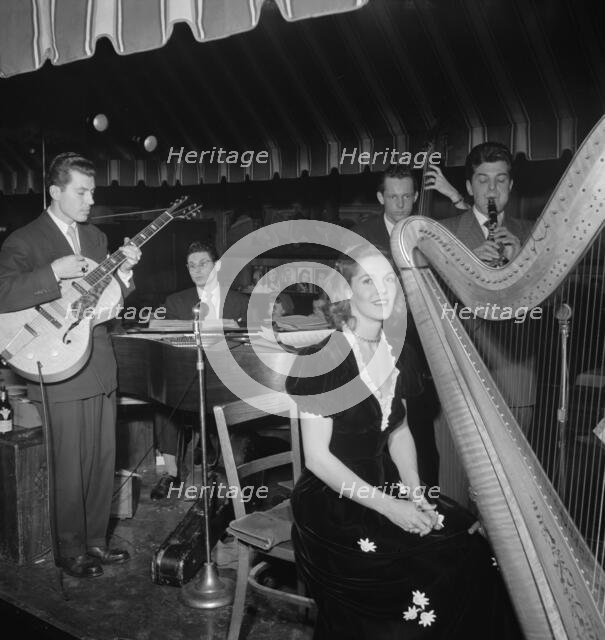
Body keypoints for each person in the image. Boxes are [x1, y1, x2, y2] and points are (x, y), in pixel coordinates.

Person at [285, 246, 520, 639]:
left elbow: (399, 432)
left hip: (384, 489)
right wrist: (390, 507)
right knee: (429, 572)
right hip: (331, 505)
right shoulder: (321, 360)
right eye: (368, 280)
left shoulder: (400, 354)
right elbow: (318, 459)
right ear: (346, 293)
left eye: (390, 279)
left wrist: (412, 490)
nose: (383, 290)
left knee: (472, 543)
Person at [0, 152, 142, 578]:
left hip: (98, 359)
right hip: (57, 362)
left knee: (102, 456)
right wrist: (53, 271)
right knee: (69, 460)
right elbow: (3, 294)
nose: (89, 200)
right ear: (55, 191)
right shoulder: (24, 241)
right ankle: (69, 548)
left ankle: (97, 542)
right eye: (81, 192)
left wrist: (127, 275)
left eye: (93, 192)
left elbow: (105, 302)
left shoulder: (97, 238)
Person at [426, 142, 536, 433]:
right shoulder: (442, 232)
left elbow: (555, 299)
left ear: (510, 185)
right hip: (456, 377)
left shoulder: (531, 233)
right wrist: (467, 265)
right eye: (482, 180)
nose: (491, 189)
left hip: (516, 377)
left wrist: (519, 267)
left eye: (500, 180)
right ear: (469, 187)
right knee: (452, 478)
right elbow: (426, 300)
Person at [353, 166, 440, 488]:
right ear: (380, 197)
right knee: (378, 435)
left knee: (418, 435)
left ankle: (426, 500)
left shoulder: (429, 232)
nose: (401, 204)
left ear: (416, 196)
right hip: (376, 346)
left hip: (418, 349)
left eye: (407, 196)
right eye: (393, 197)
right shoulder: (361, 234)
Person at [151, 241, 248, 499]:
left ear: (216, 266)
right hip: (188, 375)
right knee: (163, 396)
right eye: (191, 265)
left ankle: (218, 461)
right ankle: (171, 473)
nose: (197, 270)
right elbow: (166, 343)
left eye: (203, 263)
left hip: (228, 379)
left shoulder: (239, 302)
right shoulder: (176, 301)